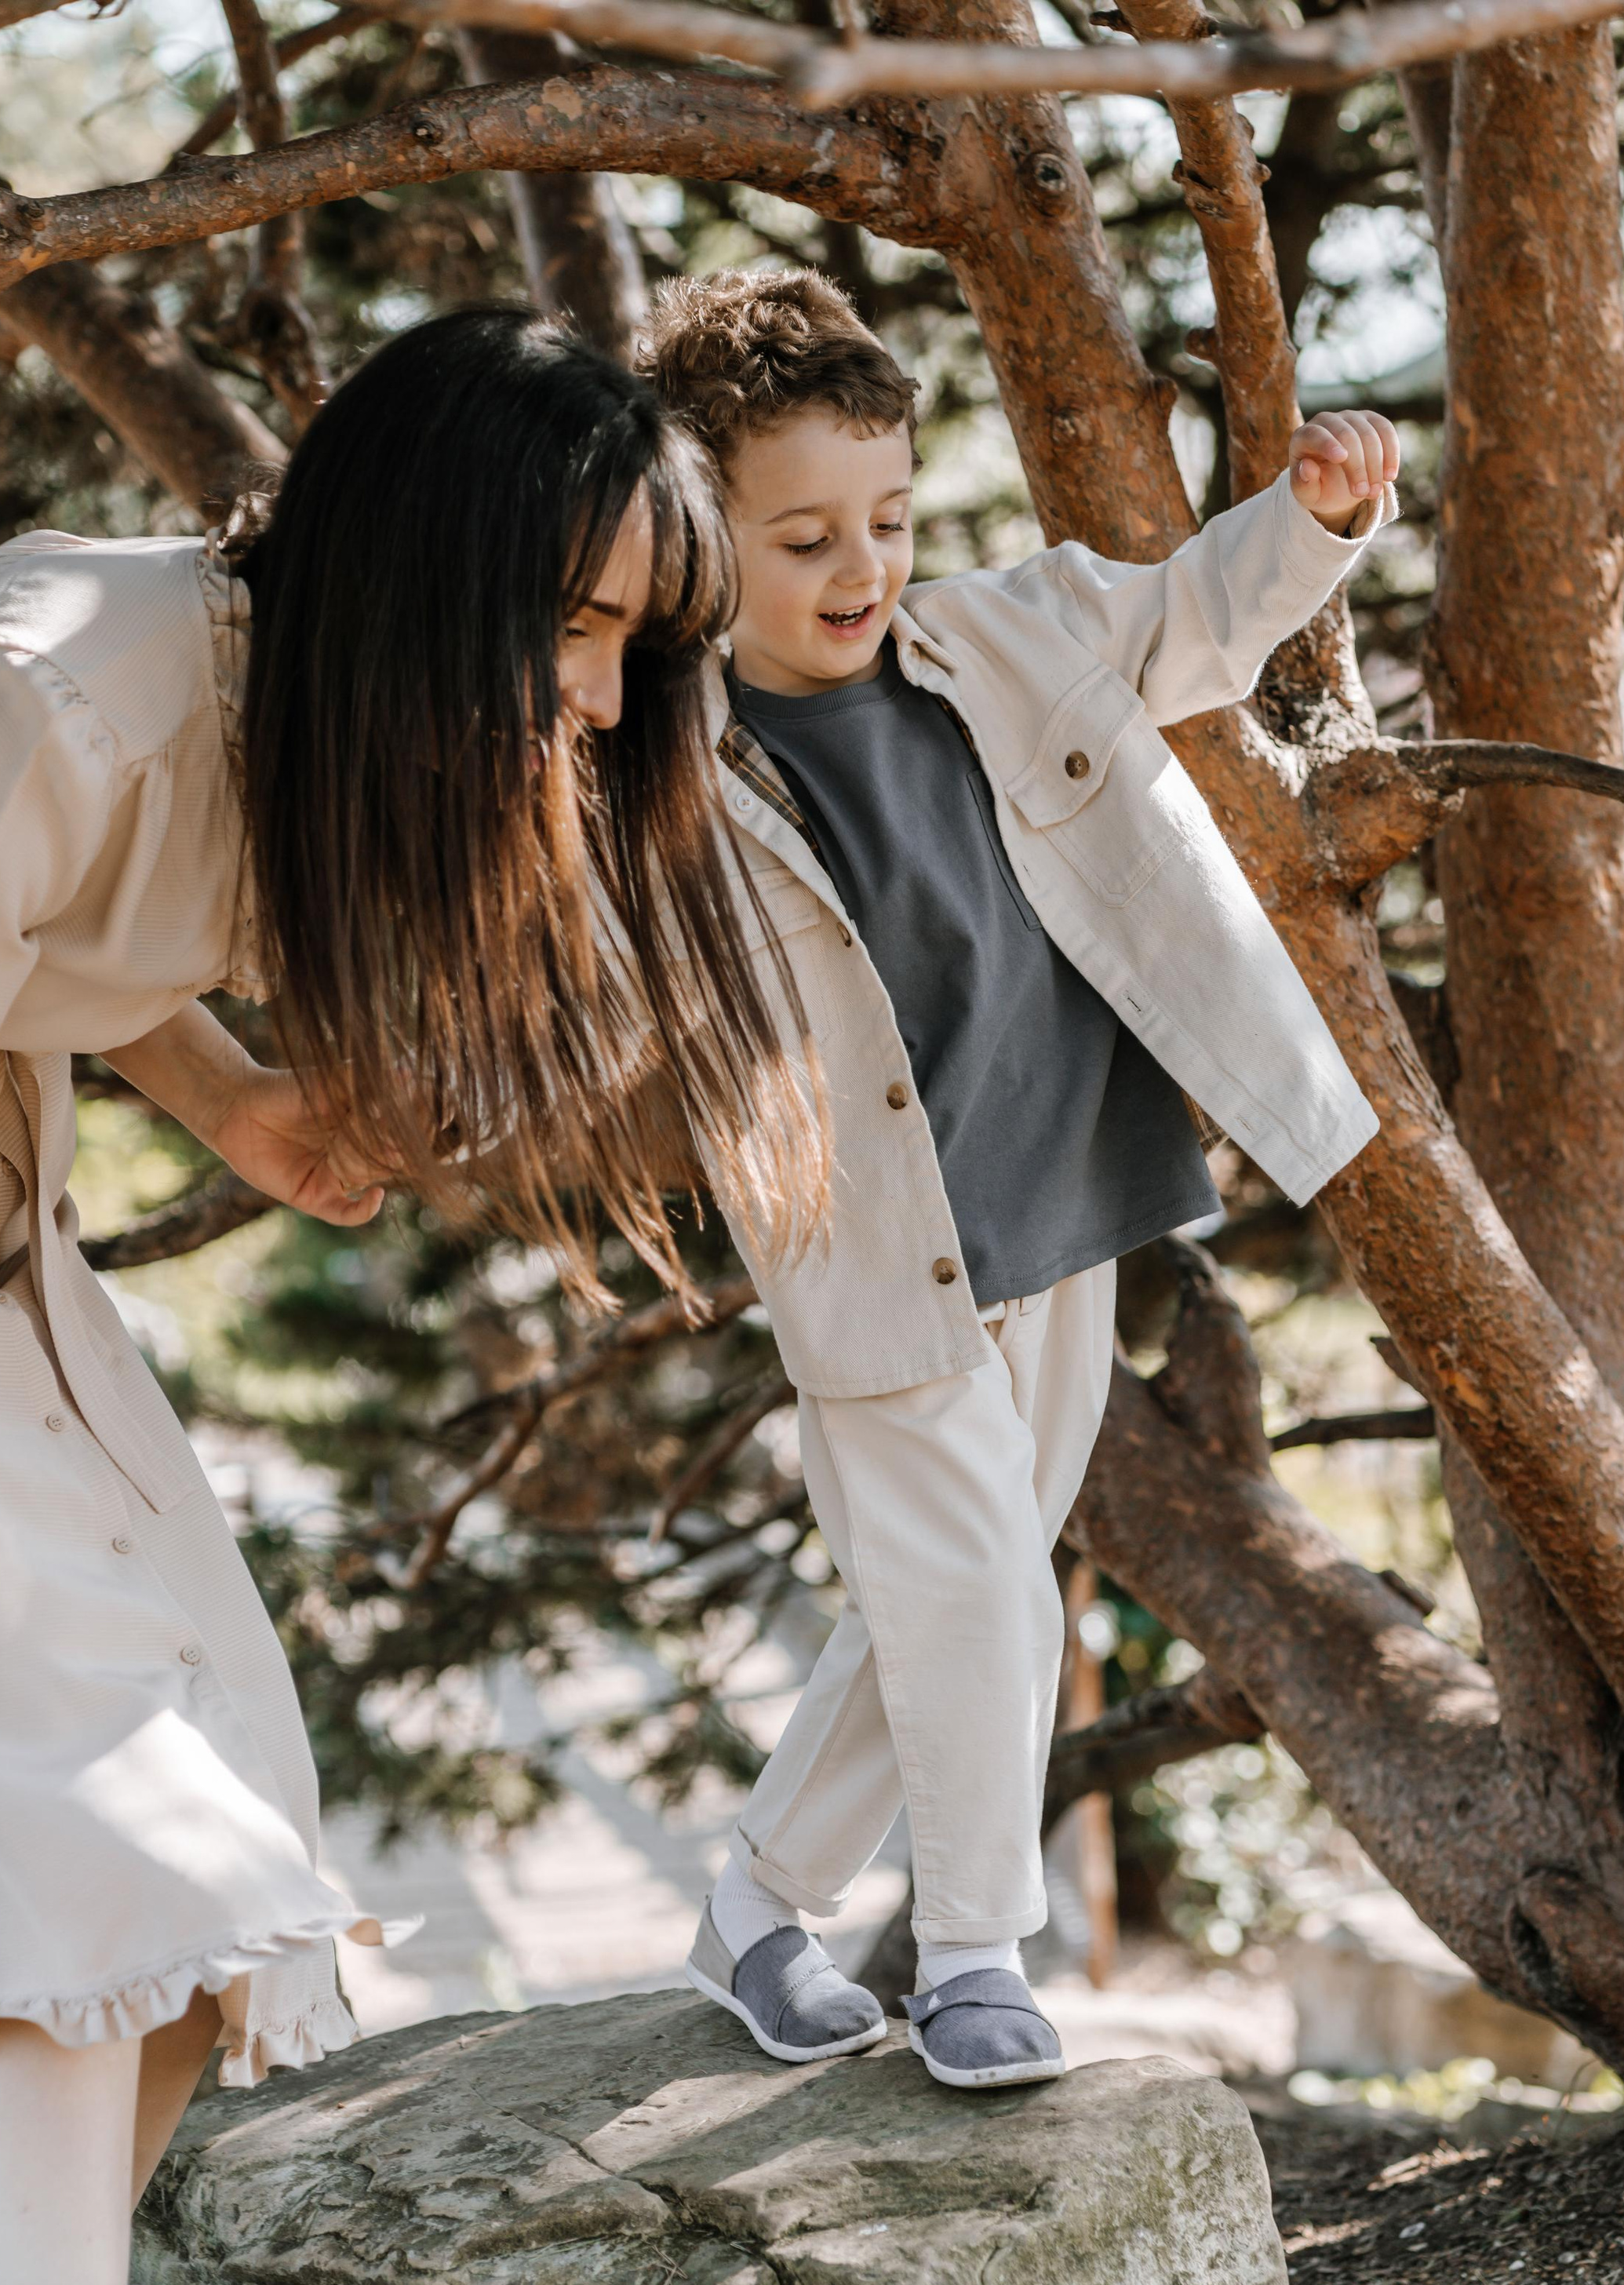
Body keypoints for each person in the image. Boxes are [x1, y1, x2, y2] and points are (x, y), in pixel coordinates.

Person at [0, 304, 825, 2285]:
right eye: (582, 629)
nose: (606, 709)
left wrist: (242, 1098)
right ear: (421, 568)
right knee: (100, 1851)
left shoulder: (276, 705)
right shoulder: (58, 684)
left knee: (238, 1824)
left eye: (637, 647)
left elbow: (64, 924)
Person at [643, 270, 1396, 2093]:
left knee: (951, 1584)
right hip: (867, 1244)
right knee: (985, 1585)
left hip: (1064, 1191)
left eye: (886, 520)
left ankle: (752, 1902)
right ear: (693, 531)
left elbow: (1186, 624)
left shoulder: (1003, 630)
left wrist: (1308, 522)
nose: (860, 566)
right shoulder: (659, 761)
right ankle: (976, 1950)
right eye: (804, 534)